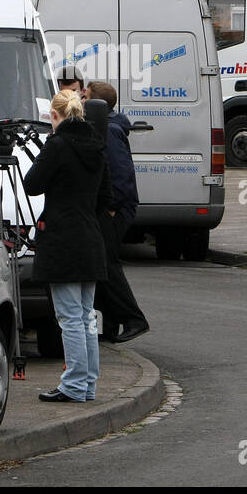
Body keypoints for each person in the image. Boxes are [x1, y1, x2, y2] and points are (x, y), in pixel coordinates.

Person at [24, 90, 109, 403]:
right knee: (86, 317)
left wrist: (45, 153)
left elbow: (32, 184)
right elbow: (105, 196)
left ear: (55, 116)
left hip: (63, 240)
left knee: (70, 318)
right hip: (89, 236)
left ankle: (73, 384)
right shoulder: (97, 146)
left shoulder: (58, 146)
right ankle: (87, 384)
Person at [86, 81, 149, 343]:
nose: (81, 99)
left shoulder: (110, 130)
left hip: (116, 208)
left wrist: (112, 207)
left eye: (86, 97)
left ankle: (134, 319)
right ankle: (110, 323)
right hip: (113, 206)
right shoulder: (109, 126)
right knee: (102, 265)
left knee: (108, 266)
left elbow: (120, 173)